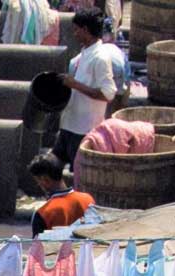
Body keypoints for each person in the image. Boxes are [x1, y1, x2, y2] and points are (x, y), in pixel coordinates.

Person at [56, 9, 121, 170]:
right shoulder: (83, 54)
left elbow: (108, 94)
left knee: (78, 174)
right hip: (69, 125)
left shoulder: (100, 58)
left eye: (77, 29)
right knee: (53, 169)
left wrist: (76, 85)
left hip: (84, 130)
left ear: (85, 30)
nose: (75, 33)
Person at [28, 153, 95, 235]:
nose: (39, 185)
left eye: (38, 181)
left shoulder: (43, 214)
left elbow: (37, 247)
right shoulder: (88, 200)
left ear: (45, 180)